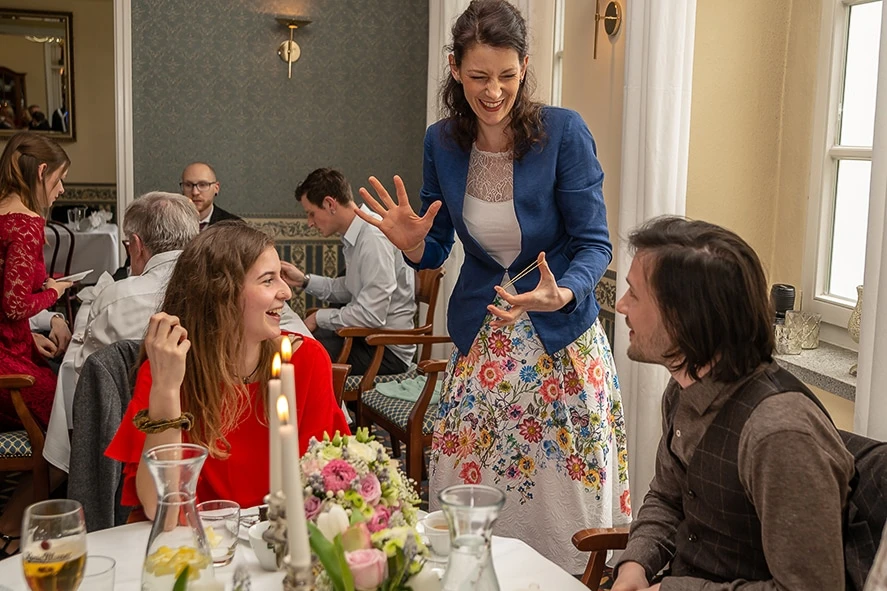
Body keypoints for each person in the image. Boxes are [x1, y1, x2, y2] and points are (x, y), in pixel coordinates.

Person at [356, 0, 630, 572]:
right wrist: (411, 244)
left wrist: (567, 292)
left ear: (525, 67)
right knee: (466, 482)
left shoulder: (563, 134)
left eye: (507, 75)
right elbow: (435, 247)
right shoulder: (442, 143)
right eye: (479, 76)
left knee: (560, 502)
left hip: (559, 345)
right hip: (484, 340)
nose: (494, 91)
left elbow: (594, 245)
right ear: (455, 68)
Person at [611, 216, 854, 590]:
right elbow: (667, 496)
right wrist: (636, 564)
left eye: (635, 295)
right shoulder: (682, 389)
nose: (621, 305)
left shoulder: (779, 434)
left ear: (684, 319)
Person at [106, 223, 349, 518]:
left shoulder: (305, 362)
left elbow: (324, 487)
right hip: (195, 545)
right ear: (222, 295)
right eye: (268, 281)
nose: (286, 291)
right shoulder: (168, 371)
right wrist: (167, 390)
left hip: (278, 542)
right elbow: (161, 509)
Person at [0, 131, 73, 555]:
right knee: (71, 433)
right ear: (42, 171)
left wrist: (31, 335)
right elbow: (12, 304)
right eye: (60, 179)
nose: (61, 189)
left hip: (13, 350)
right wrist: (55, 292)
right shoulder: (25, 222)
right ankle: (11, 528)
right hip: (9, 371)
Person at [281, 167, 416, 375]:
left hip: (386, 350)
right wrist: (304, 281)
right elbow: (350, 288)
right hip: (366, 338)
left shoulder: (373, 237)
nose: (310, 223)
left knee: (300, 356)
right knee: (298, 345)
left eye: (311, 214)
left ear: (329, 204)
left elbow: (372, 315)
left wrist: (319, 317)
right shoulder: (355, 234)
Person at [72, 192, 199, 375]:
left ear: (136, 245)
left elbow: (86, 370)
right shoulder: (218, 291)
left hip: (129, 402)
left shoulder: (115, 298)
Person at [180, 161, 242, 230]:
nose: (195, 192)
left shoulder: (234, 226)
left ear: (216, 188)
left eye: (203, 185)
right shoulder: (170, 222)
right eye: (188, 185)